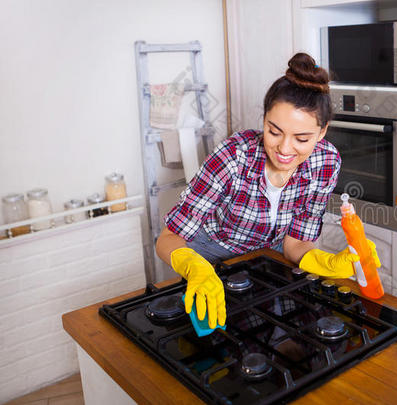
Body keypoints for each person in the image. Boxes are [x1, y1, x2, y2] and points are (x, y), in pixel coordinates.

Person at [156, 53, 380, 329]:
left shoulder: (326, 162)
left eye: (302, 138)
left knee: (273, 334)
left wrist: (327, 262)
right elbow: (168, 237)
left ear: (322, 133)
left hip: (271, 259)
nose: (285, 149)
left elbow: (295, 243)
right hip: (210, 256)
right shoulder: (234, 156)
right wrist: (195, 267)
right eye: (274, 132)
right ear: (264, 120)